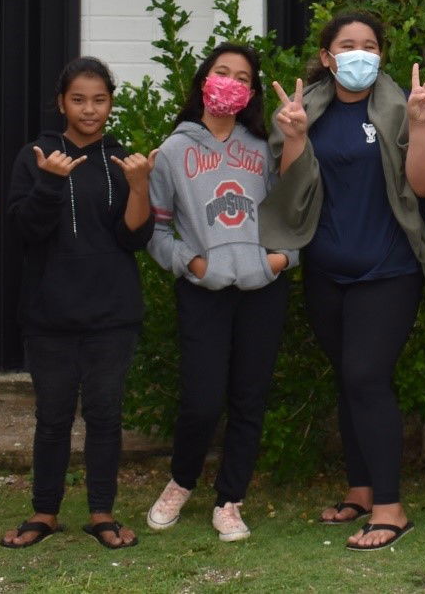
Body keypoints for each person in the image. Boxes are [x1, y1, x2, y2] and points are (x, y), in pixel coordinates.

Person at [259, 11, 425, 551]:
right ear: (326, 57)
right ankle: (361, 490)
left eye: (369, 45)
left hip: (388, 269)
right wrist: (292, 136)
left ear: (382, 54)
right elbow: (291, 193)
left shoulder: (403, 108)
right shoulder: (305, 111)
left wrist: (420, 124)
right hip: (326, 269)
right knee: (347, 378)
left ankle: (391, 508)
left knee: (366, 376)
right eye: (347, 45)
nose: (359, 53)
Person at [0, 57, 154, 551]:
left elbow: (134, 239)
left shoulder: (122, 158)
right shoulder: (37, 154)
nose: (90, 110)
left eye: (100, 99)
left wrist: (139, 186)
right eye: (79, 99)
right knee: (53, 417)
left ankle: (102, 514)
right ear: (61, 102)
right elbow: (25, 229)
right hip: (49, 314)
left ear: (111, 102)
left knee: (106, 416)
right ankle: (44, 512)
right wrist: (49, 181)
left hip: (113, 314)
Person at [143, 43, 295, 542]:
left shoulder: (262, 148)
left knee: (250, 399)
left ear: (251, 91)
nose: (230, 81)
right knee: (202, 401)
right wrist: (192, 263)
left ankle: (230, 500)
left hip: (261, 289)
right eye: (221, 72)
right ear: (204, 80)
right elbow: (157, 230)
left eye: (242, 76)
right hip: (204, 290)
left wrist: (280, 260)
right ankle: (181, 481)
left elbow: (293, 214)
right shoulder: (171, 151)